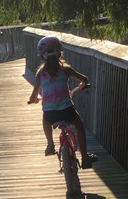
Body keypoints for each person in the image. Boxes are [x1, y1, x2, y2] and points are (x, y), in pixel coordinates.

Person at [27, 35, 98, 169]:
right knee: (79, 127)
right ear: (59, 53)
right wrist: (82, 85)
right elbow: (85, 79)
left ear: (42, 56)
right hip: (67, 111)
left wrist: (33, 100)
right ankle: (85, 158)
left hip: (51, 113)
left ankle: (50, 144)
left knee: (45, 118)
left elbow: (33, 96)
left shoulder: (40, 74)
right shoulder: (66, 70)